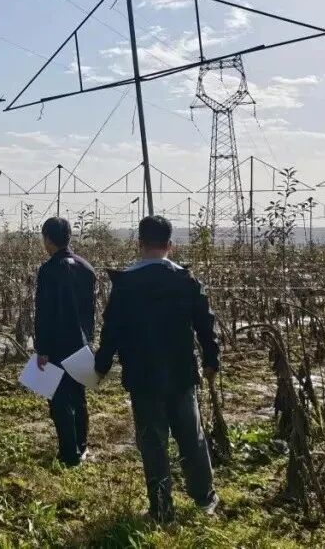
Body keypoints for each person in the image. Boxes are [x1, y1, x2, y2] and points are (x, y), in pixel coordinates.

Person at [95, 215, 221, 522]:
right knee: (191, 437)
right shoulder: (186, 280)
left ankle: (162, 509)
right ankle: (204, 499)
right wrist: (210, 360)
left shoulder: (125, 284)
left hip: (143, 377)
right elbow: (206, 324)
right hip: (181, 373)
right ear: (170, 245)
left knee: (152, 443)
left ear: (139, 244)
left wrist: (101, 365)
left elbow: (112, 331)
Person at [34, 217, 96, 467]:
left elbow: (44, 312)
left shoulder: (48, 270)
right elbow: (90, 311)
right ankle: (82, 446)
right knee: (78, 397)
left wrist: (42, 349)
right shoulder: (87, 268)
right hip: (81, 343)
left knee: (59, 400)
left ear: (48, 239)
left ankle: (69, 454)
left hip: (56, 345)